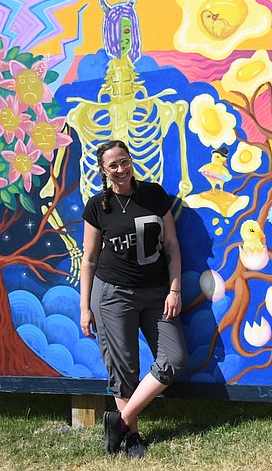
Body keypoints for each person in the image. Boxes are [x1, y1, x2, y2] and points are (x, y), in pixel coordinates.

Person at [80, 139, 188, 458]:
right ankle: (133, 436)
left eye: (124, 161)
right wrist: (84, 307)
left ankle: (121, 421)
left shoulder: (153, 194)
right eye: (113, 165)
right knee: (123, 367)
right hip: (112, 293)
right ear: (103, 170)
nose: (121, 169)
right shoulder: (98, 206)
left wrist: (175, 288)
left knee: (175, 358)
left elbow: (171, 246)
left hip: (157, 293)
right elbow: (89, 259)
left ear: (131, 160)